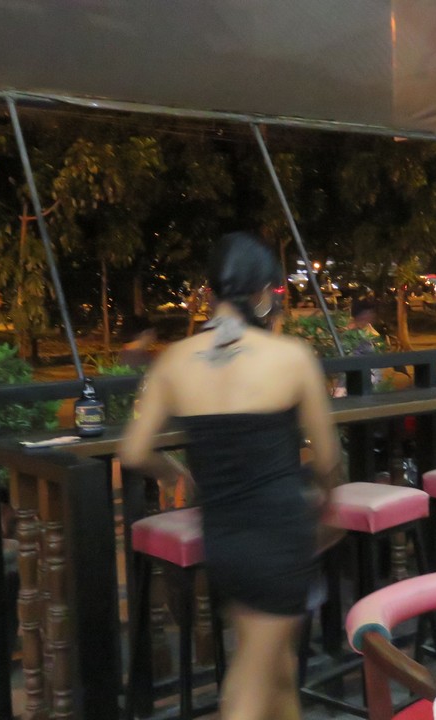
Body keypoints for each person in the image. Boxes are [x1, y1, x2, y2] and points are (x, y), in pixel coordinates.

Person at [119, 232, 340, 720]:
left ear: (210, 290)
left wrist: (178, 474)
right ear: (262, 293)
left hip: (223, 537)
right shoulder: (291, 357)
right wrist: (328, 502)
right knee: (248, 690)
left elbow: (133, 450)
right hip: (280, 535)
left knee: (277, 669)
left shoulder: (174, 361)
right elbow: (327, 459)